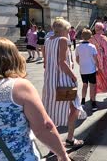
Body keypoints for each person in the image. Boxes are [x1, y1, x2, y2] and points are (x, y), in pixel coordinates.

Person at [42, 18, 86, 148]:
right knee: (75, 108)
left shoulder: (47, 41)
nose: (69, 32)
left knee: (52, 111)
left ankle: (53, 144)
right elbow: (62, 62)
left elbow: (46, 63)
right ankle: (70, 139)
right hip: (63, 81)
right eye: (68, 29)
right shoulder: (62, 40)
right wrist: (73, 76)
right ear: (64, 30)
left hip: (50, 81)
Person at [75, 29, 99, 111]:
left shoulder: (78, 47)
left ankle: (83, 101)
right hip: (91, 69)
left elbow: (77, 59)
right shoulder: (92, 47)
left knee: (84, 85)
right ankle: (93, 102)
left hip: (83, 70)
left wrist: (81, 65)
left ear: (82, 36)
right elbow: (96, 59)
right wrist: (97, 67)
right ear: (90, 37)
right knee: (92, 86)